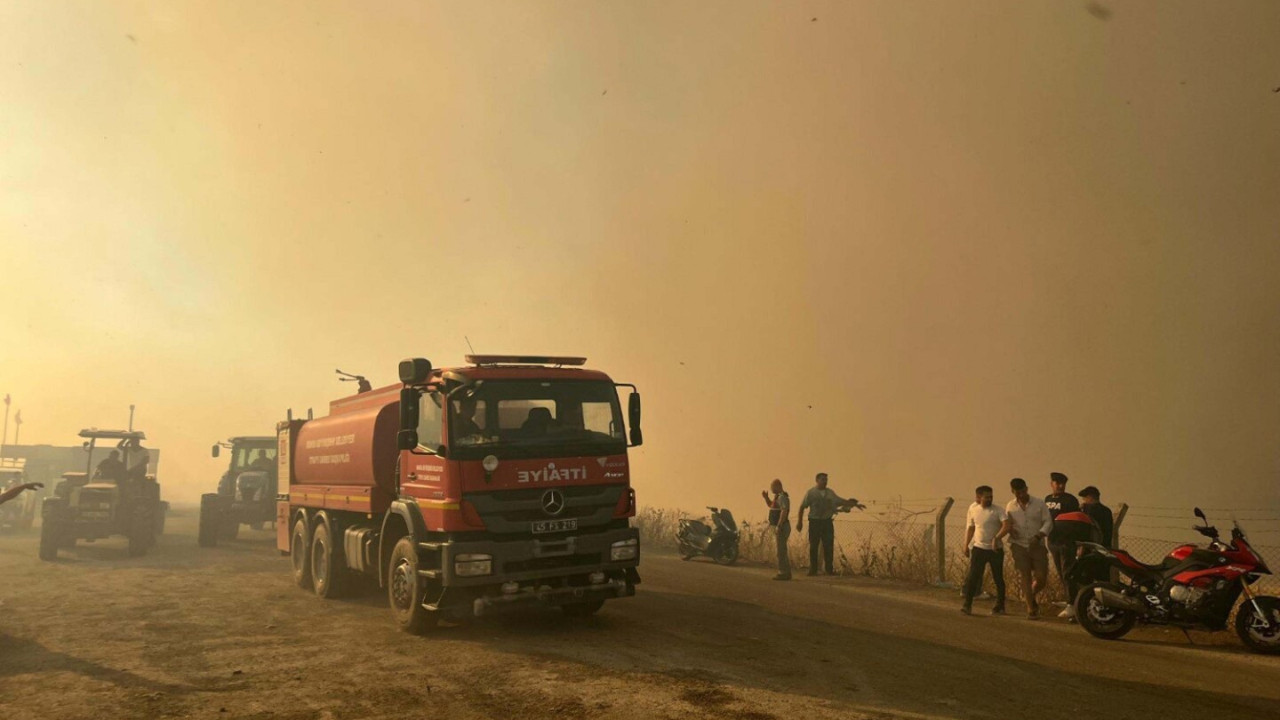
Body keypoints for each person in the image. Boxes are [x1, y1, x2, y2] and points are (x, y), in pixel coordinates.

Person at [1003, 477, 1053, 619]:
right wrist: (1011, 529)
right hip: (1018, 544)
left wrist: (1038, 536)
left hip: (1037, 544)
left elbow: (1048, 522)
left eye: (1023, 491)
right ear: (1013, 492)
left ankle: (1031, 593)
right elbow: (1008, 523)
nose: (1021, 495)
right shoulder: (1010, 506)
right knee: (1024, 574)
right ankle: (1031, 607)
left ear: (1027, 489)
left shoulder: (1039, 504)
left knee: (1041, 577)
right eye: (1017, 493)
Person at [796, 472, 863, 576]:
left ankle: (829, 570)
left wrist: (854, 504)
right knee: (814, 546)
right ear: (817, 480)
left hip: (827, 522)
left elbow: (840, 501)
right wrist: (799, 522)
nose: (825, 481)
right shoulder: (811, 493)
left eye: (826, 479)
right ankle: (813, 570)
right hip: (815, 522)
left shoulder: (830, 493)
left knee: (828, 545)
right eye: (823, 479)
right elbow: (801, 507)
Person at [1048, 509, 1104, 621]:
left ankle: (1074, 604)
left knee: (1069, 573)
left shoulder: (1058, 525)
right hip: (1075, 536)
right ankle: (1074, 601)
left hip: (1073, 536)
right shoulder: (1065, 521)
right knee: (1070, 572)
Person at [961, 485, 1009, 615]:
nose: (989, 499)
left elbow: (1006, 525)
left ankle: (1000, 605)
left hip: (995, 550)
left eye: (991, 497)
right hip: (979, 548)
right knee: (974, 576)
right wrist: (966, 545)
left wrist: (997, 538)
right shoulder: (973, 508)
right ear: (978, 497)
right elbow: (970, 527)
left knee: (998, 577)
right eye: (986, 497)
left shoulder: (998, 510)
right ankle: (967, 604)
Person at [1044, 472, 1081, 617]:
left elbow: (1076, 521)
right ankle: (1068, 599)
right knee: (1061, 572)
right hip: (1052, 540)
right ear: (1051, 484)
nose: (1060, 486)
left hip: (1066, 541)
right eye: (1057, 483)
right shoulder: (1047, 499)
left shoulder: (1070, 500)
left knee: (1068, 573)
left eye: (1062, 483)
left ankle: (1072, 604)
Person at [761, 479, 791, 581]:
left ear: (778, 486)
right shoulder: (777, 497)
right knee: (781, 550)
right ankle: (786, 572)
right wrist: (766, 498)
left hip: (782, 526)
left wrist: (779, 525)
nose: (771, 489)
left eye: (772, 486)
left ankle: (783, 572)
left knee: (781, 551)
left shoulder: (782, 497)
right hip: (780, 526)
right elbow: (771, 505)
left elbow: (784, 511)